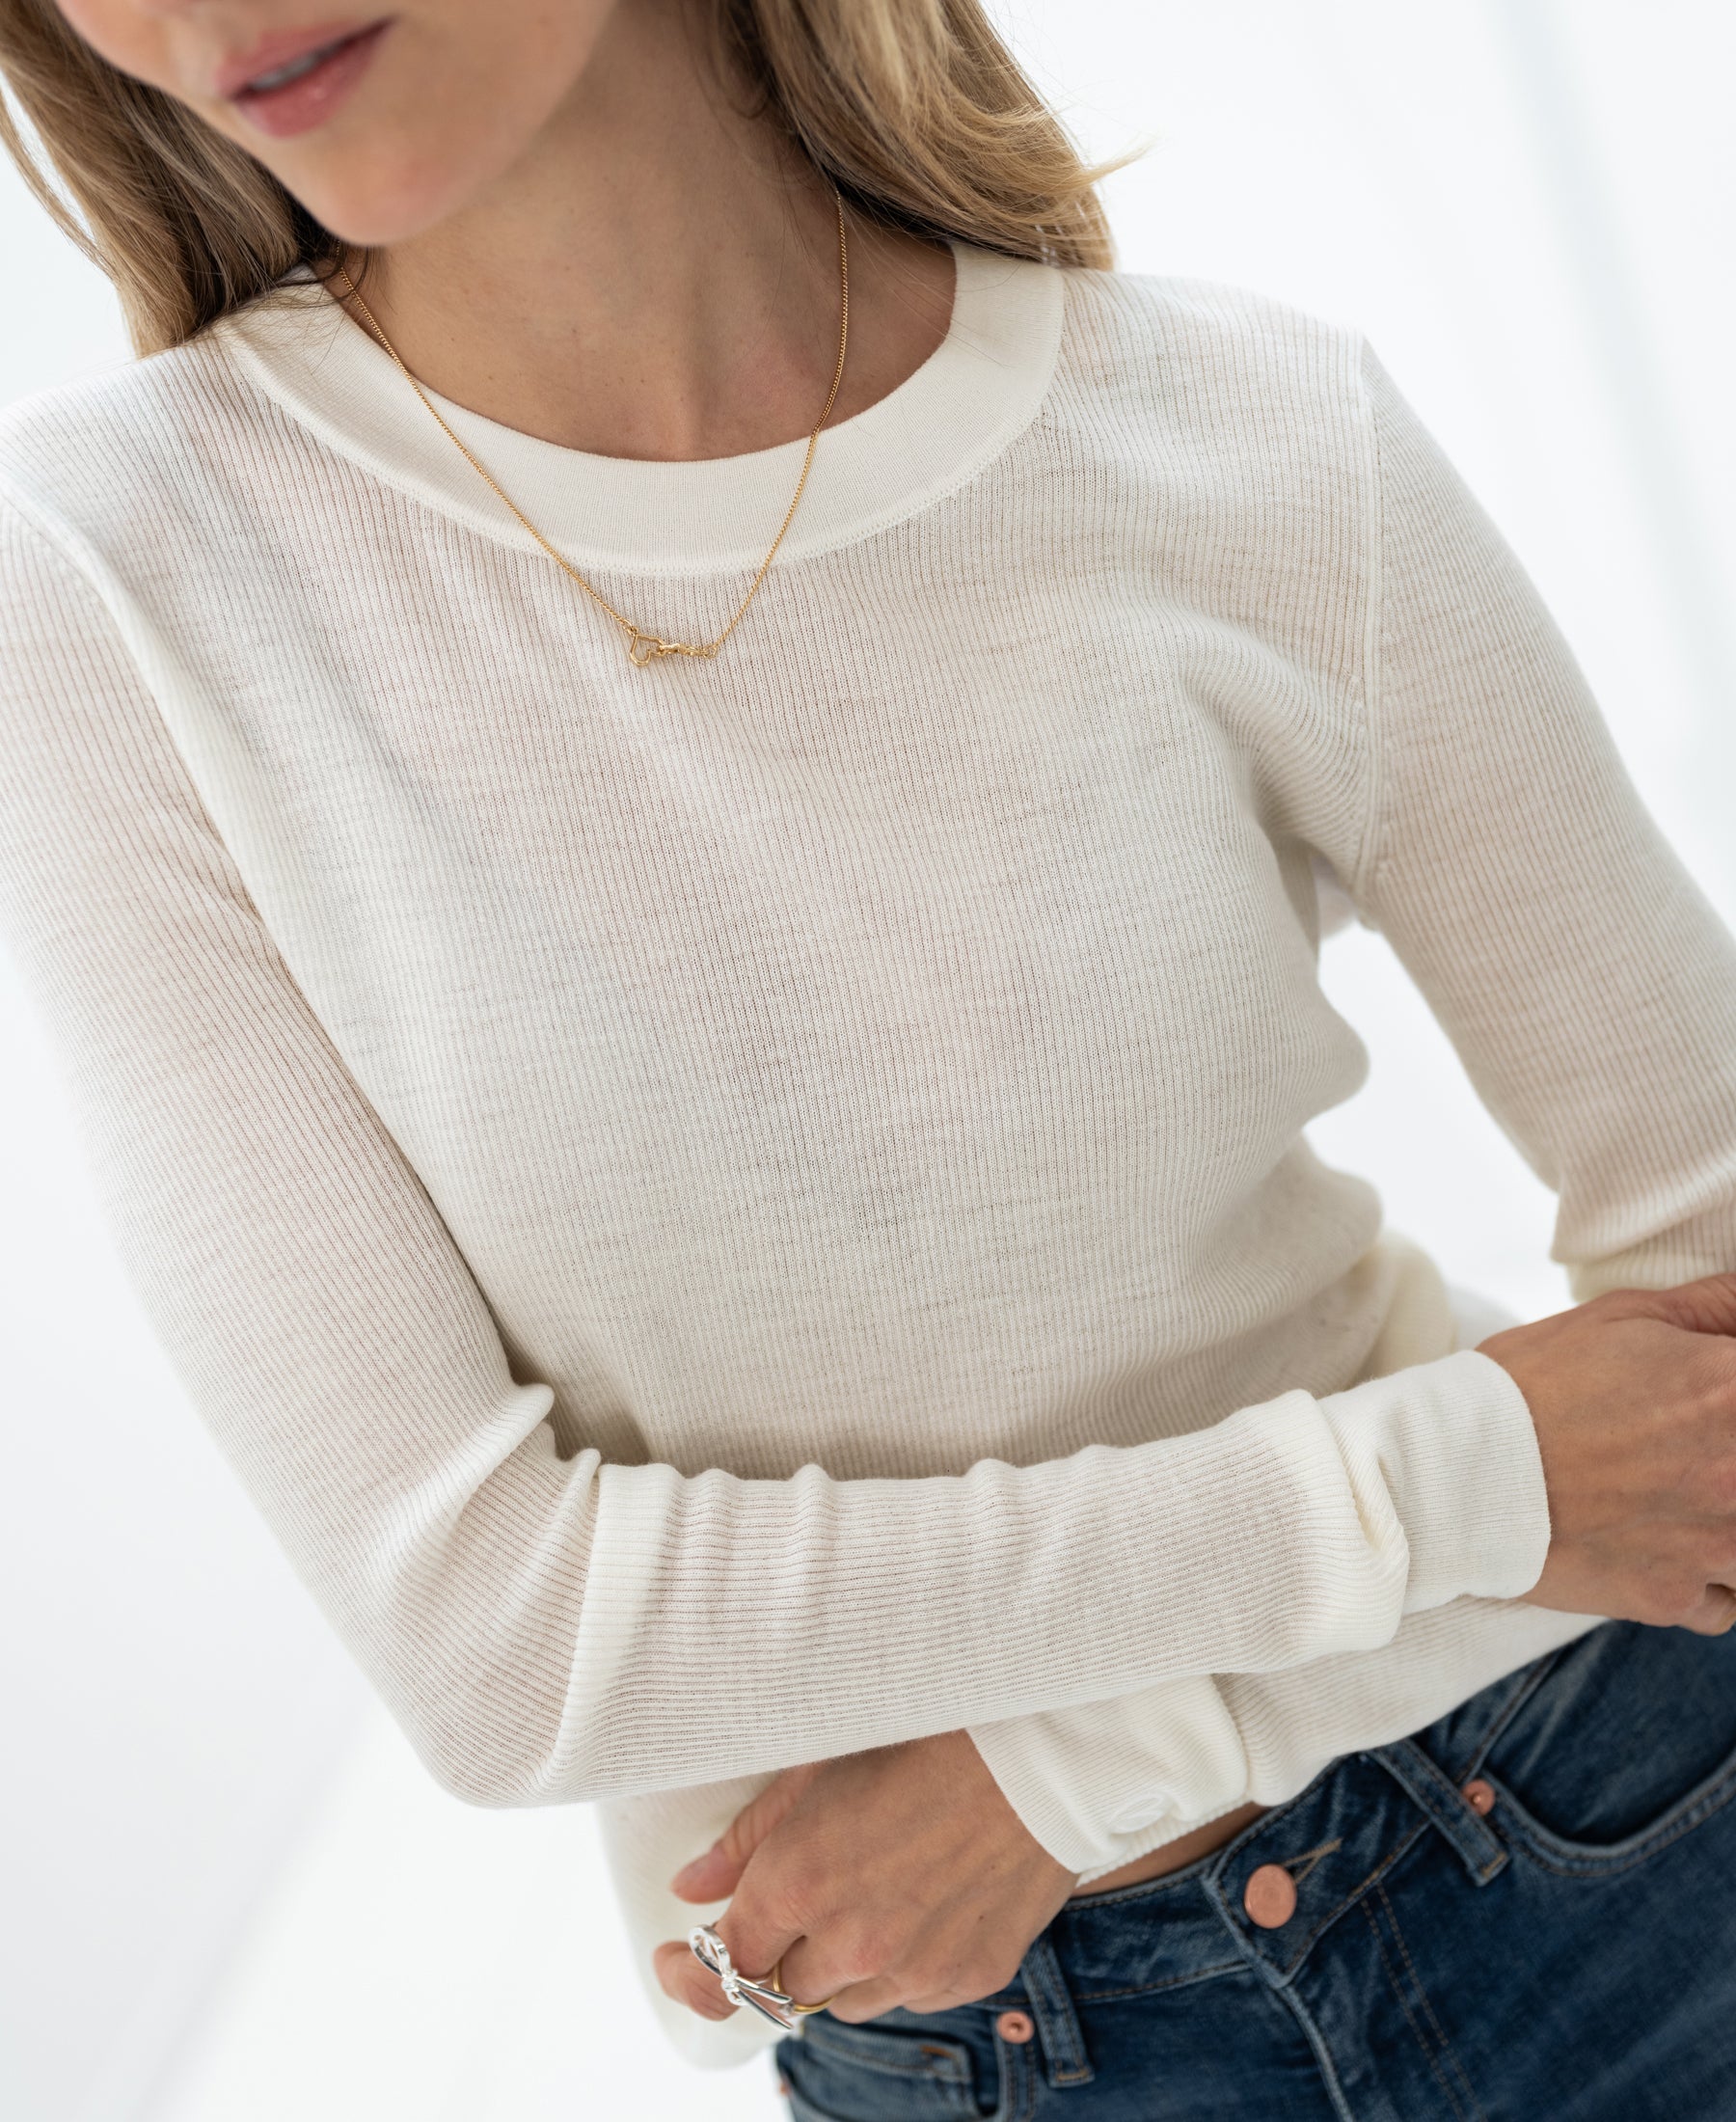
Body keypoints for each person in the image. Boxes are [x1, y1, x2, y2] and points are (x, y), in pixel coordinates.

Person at [2, 0, 1735, 2113]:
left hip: (1622, 1827)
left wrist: (1071, 1765)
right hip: (1012, 2049)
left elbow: (1714, 1363)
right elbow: (505, 1640)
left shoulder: (1254, 444)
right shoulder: (111, 592)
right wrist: (1473, 1480)